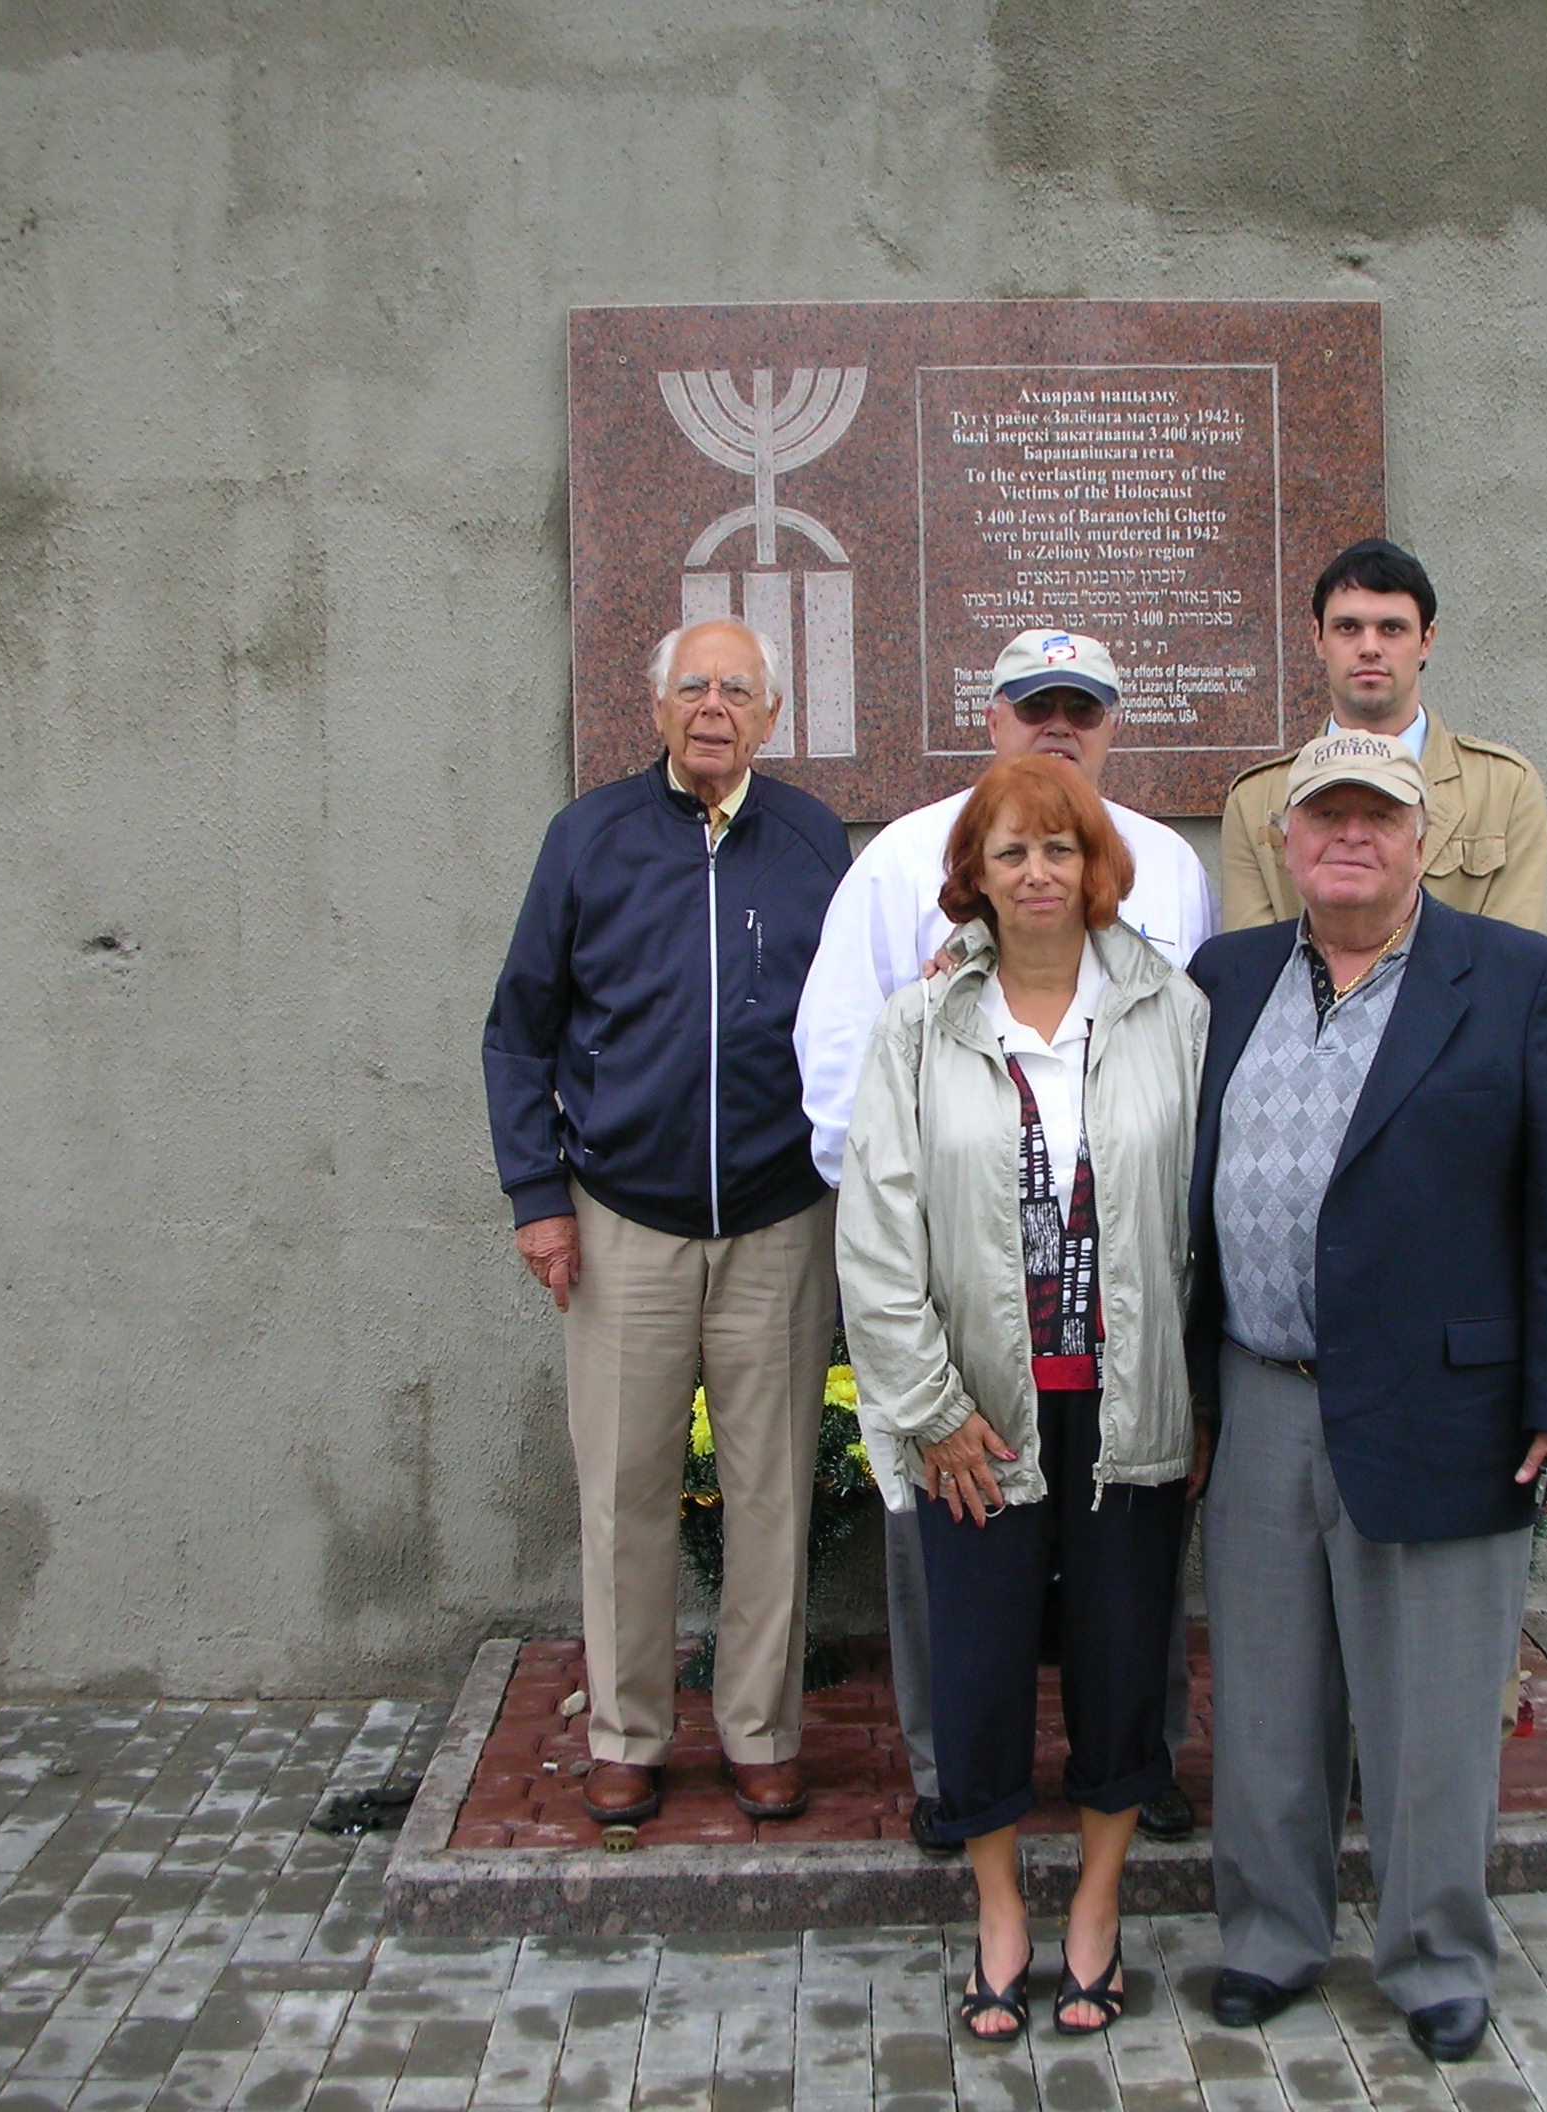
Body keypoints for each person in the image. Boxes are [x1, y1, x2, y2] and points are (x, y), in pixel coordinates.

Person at [1183, 728, 1547, 2061]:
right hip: (1259, 1394)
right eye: (1325, 816)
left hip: (1444, 1405)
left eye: (1377, 816)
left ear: (1421, 839)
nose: (1349, 837)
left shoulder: (1520, 981)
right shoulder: (1225, 978)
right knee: (1266, 1702)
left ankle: (1435, 1957)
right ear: (1285, 842)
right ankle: (1271, 1935)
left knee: (1433, 1708)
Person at [794, 628, 1219, 1850]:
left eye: (1081, 708)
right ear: (990, 718)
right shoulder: (896, 860)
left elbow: (1184, 1104)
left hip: (1116, 1327)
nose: (1057, 727)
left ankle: (1134, 1763)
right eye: (1035, 706)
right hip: (961, 1302)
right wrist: (919, 1279)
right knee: (953, 1572)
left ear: (1111, 725)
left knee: (1127, 1579)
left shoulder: (1167, 868)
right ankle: (952, 1773)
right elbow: (843, 1064)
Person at [835, 753, 1210, 2040]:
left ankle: (1096, 1908)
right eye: (1011, 851)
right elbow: (876, 1232)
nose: (1038, 872)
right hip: (978, 1413)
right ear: (974, 876)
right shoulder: (919, 1025)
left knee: (1122, 1664)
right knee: (980, 1670)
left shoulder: (1172, 1013)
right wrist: (928, 1408)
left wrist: (1198, 1396)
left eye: (1060, 847)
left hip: (1128, 1407)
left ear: (1097, 865)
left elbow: (1204, 1220)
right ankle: (998, 1913)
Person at [481, 618, 851, 1830]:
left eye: (736, 690)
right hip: (620, 1221)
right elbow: (517, 1033)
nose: (711, 707)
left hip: (776, 1220)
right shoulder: (587, 838)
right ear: (655, 709)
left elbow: (852, 1021)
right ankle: (627, 1735)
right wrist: (539, 1199)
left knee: (770, 1495)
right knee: (622, 1495)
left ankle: (760, 1734)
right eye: (691, 686)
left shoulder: (812, 842)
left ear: (771, 715)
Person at [1221, 539, 1547, 932]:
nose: (1369, 648)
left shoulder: (1504, 789)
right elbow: (1255, 959)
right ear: (1318, 639)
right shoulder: (1256, 799)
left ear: (1426, 641)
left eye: (1392, 629)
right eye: (1348, 628)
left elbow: (1514, 958)